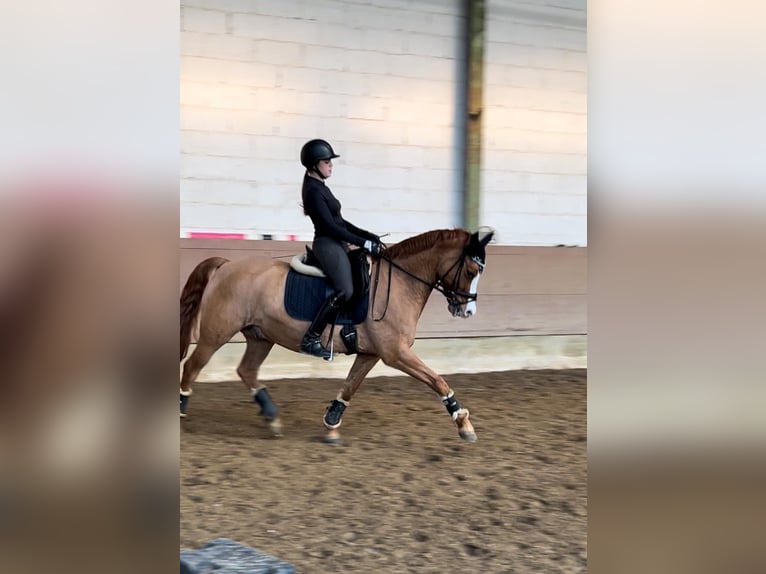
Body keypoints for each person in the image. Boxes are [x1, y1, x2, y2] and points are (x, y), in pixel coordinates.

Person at [298, 138, 383, 358]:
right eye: (327, 161)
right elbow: (329, 227)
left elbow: (340, 222)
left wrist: (367, 235)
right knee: (345, 290)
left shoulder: (321, 187)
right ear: (315, 164)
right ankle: (311, 338)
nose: (331, 165)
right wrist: (362, 242)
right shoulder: (313, 191)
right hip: (327, 243)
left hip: (335, 239)